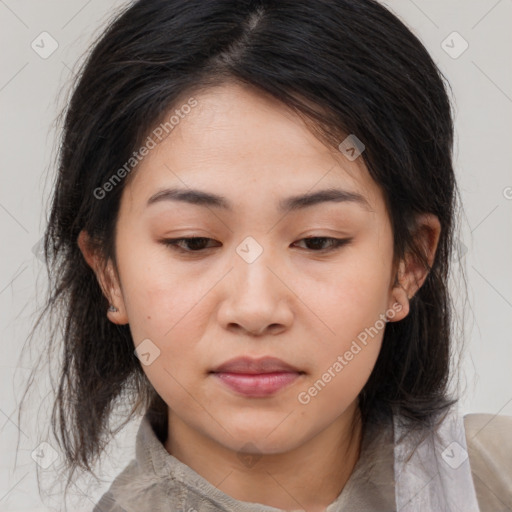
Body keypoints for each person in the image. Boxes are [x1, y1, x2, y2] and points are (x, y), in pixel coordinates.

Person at [23, 0, 512, 510]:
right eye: (192, 242)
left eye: (318, 241)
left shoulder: (491, 480)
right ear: (108, 273)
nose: (255, 309)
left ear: (408, 263)